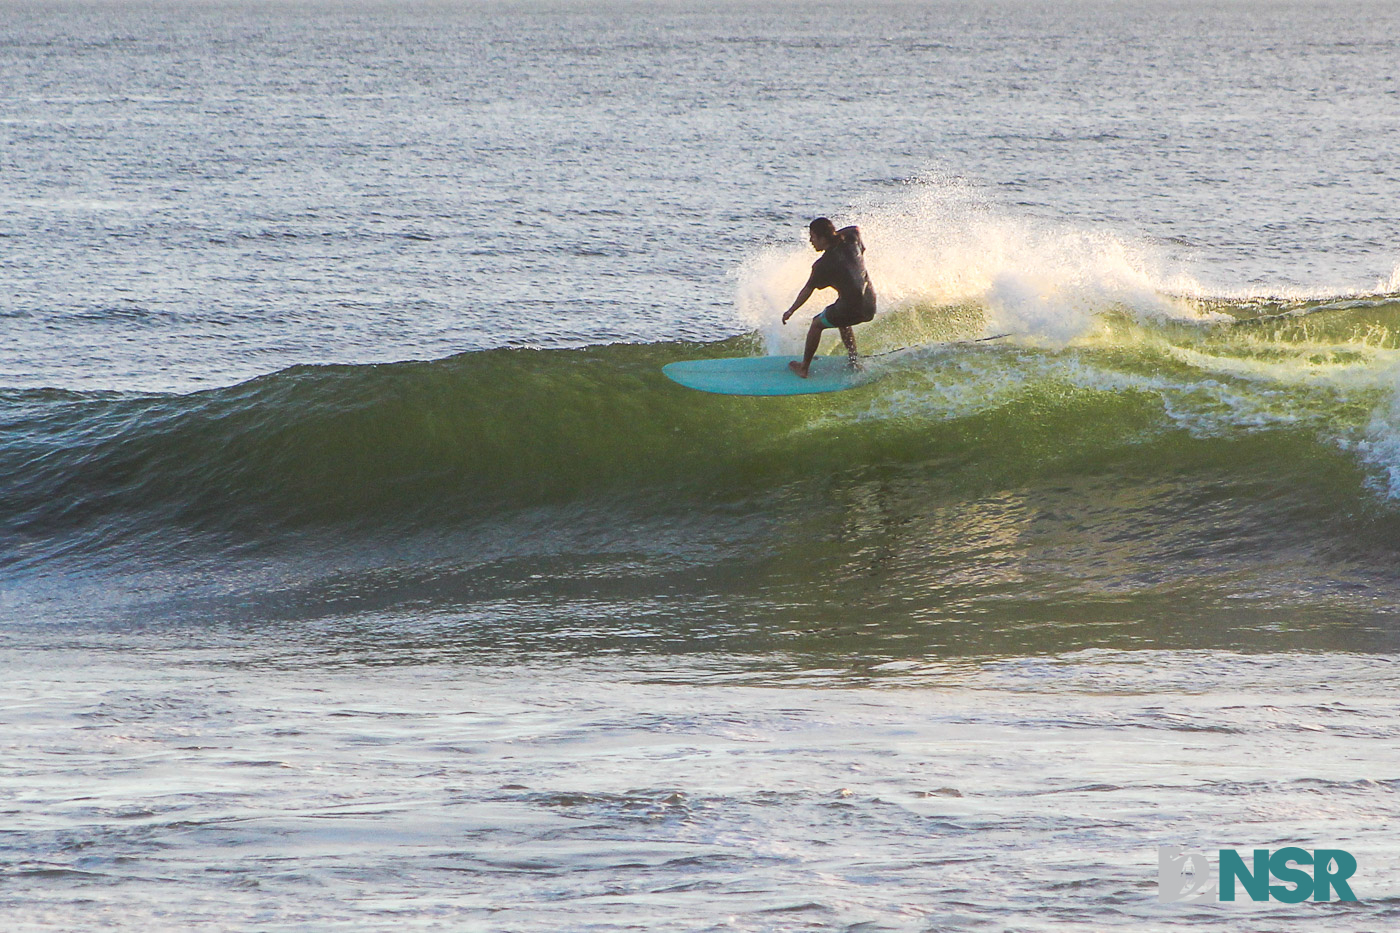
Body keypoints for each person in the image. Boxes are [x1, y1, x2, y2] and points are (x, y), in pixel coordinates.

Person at [781, 217, 877, 378]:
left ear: (823, 238)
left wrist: (791, 310)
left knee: (816, 324)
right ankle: (854, 360)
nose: (811, 241)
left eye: (813, 237)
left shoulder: (822, 265)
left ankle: (804, 368)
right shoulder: (852, 238)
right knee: (841, 317)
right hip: (870, 305)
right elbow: (856, 229)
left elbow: (807, 290)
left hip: (851, 308)